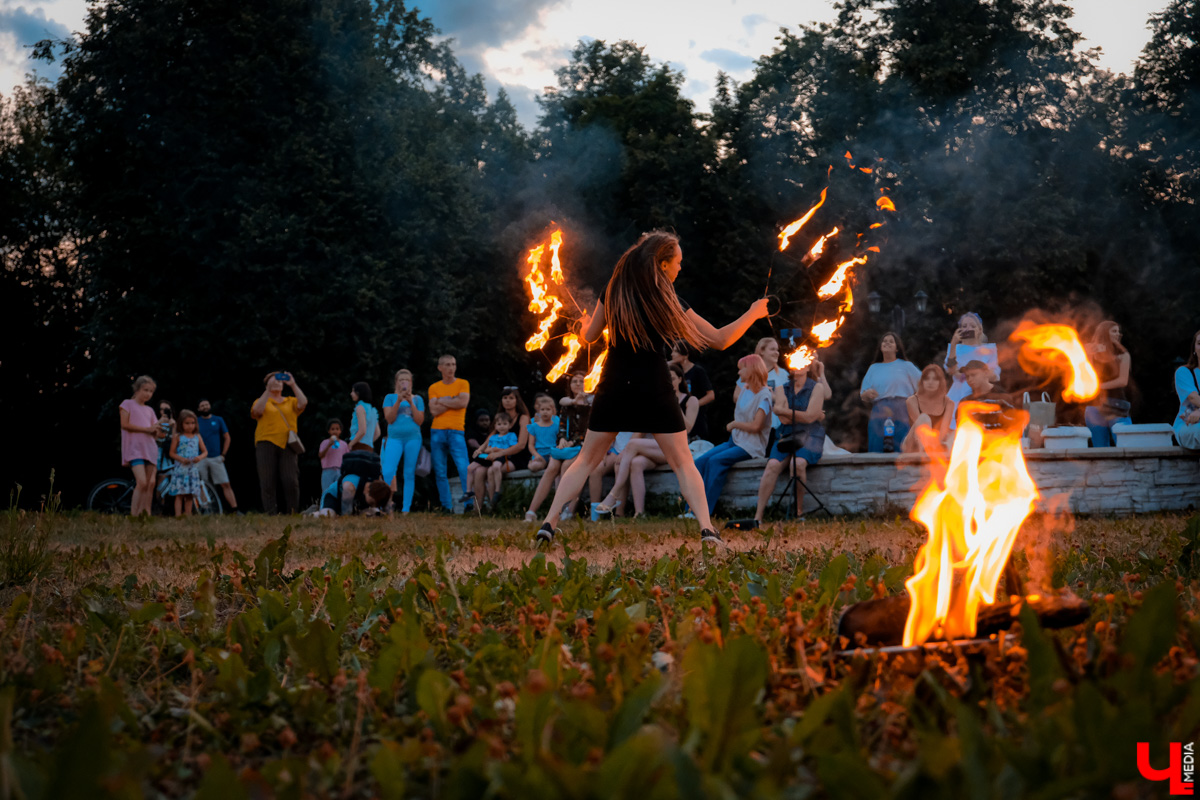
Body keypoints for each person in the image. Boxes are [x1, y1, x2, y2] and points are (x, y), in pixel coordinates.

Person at [533, 230, 770, 545]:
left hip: (614, 384)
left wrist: (584, 324)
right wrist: (754, 312)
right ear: (662, 264)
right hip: (654, 386)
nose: (681, 268)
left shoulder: (613, 290)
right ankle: (707, 529)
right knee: (682, 462)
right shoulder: (667, 300)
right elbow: (720, 339)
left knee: (586, 460)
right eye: (678, 262)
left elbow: (589, 337)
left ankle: (549, 523)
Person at [590, 362, 699, 519]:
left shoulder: (690, 400)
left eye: (672, 378)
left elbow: (688, 428)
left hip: (675, 448)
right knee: (636, 463)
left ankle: (615, 492)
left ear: (680, 379)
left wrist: (674, 403)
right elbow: (642, 428)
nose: (668, 381)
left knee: (632, 444)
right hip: (652, 449)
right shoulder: (656, 399)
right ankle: (639, 513)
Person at [690, 354, 774, 517]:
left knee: (715, 461)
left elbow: (756, 426)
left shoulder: (764, 396)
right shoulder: (745, 390)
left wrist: (735, 424)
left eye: (741, 369)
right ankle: (691, 508)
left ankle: (704, 511)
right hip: (735, 441)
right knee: (700, 462)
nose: (739, 373)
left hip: (751, 446)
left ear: (751, 370)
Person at [753, 357, 830, 524]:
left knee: (798, 464)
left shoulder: (816, 387)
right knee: (772, 466)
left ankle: (798, 512)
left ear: (808, 367)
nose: (798, 366)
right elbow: (785, 420)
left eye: (803, 363)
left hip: (810, 435)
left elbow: (810, 418)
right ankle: (758, 517)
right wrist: (803, 414)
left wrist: (783, 410)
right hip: (786, 434)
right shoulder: (782, 388)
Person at [524, 374, 592, 521]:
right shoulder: (566, 404)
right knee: (552, 468)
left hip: (582, 446)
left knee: (567, 467)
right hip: (565, 446)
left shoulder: (590, 404)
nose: (578, 384)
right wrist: (561, 439)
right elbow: (562, 426)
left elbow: (587, 430)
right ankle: (531, 512)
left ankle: (566, 511)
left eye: (581, 381)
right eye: (574, 381)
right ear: (570, 385)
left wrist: (572, 442)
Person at [251, 370, 307, 514]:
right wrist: (267, 391)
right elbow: (257, 411)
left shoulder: (290, 401)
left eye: (280, 380)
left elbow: (303, 403)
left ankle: (292, 512)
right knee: (267, 480)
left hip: (288, 443)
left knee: (291, 480)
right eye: (274, 380)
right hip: (266, 442)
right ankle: (271, 513)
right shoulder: (261, 401)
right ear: (267, 384)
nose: (277, 382)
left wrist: (293, 384)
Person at [860, 331, 922, 452]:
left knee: (902, 443)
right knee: (877, 444)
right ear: (880, 347)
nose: (887, 343)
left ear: (897, 348)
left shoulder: (907, 366)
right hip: (879, 409)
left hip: (902, 409)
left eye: (891, 341)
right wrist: (867, 394)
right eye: (884, 341)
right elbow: (863, 393)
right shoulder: (874, 368)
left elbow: (922, 386)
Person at [428, 354, 473, 512]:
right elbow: (434, 410)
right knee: (440, 470)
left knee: (463, 467)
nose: (451, 368)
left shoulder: (463, 383)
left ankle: (468, 504)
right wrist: (453, 400)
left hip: (456, 430)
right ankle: (446, 506)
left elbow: (463, 402)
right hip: (437, 430)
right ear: (440, 367)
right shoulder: (434, 387)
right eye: (447, 365)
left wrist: (441, 400)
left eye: (453, 364)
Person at [119, 376, 165, 517]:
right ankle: (134, 516)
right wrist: (147, 429)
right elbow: (125, 425)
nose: (148, 394)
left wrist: (160, 429)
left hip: (150, 449)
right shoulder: (127, 404)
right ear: (137, 389)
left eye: (151, 391)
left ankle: (144, 514)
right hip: (135, 449)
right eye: (145, 390)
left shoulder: (150, 410)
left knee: (149, 484)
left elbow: (156, 433)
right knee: (142, 482)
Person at [381, 369, 425, 514]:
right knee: (388, 470)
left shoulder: (418, 399)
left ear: (411, 383)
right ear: (396, 383)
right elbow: (389, 419)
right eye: (401, 380)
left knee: (409, 473)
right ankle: (386, 504)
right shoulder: (390, 398)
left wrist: (410, 402)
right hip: (395, 438)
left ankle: (406, 509)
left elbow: (419, 420)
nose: (404, 383)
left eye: (406, 380)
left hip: (413, 438)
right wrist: (399, 400)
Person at [1084, 321, 1132, 447]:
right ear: (1104, 333)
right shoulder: (1092, 351)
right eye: (1114, 331)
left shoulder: (1123, 355)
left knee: (1126, 444)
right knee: (1100, 448)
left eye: (1118, 331)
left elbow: (1122, 381)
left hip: (1116, 405)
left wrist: (1098, 387)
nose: (1118, 334)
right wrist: (1089, 354)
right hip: (1095, 406)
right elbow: (1088, 375)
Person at [944, 313, 1000, 412]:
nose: (968, 329)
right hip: (958, 395)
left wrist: (981, 374)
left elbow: (994, 376)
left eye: (972, 326)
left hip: (982, 395)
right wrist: (953, 344)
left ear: (979, 329)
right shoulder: (955, 348)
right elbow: (951, 370)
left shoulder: (989, 349)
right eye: (964, 326)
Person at [315, 450, 393, 516]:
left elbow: (387, 501)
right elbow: (346, 510)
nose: (372, 505)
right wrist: (347, 519)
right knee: (328, 516)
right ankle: (313, 513)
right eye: (372, 502)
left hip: (355, 501)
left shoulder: (379, 486)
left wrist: (389, 515)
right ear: (367, 490)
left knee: (374, 514)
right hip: (334, 497)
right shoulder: (350, 486)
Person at [735, 337, 789, 431]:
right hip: (750, 426)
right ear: (762, 351)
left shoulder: (783, 374)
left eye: (777, 350)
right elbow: (736, 397)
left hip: (775, 428)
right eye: (772, 349)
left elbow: (790, 400)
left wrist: (773, 397)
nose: (777, 353)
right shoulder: (748, 372)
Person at [196, 399, 240, 513]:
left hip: (216, 457)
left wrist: (223, 454)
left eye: (206, 404)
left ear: (210, 406)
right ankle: (207, 510)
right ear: (199, 409)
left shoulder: (218, 420)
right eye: (202, 405)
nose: (205, 407)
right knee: (203, 485)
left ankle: (235, 510)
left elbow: (227, 437)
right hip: (201, 458)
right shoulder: (196, 422)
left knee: (225, 483)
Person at [468, 412, 518, 507]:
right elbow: (487, 449)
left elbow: (512, 448)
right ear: (495, 426)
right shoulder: (493, 437)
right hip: (493, 457)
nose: (502, 426)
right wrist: (491, 450)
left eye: (505, 424)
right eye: (499, 424)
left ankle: (497, 491)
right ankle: (491, 502)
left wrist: (498, 450)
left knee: (495, 466)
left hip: (504, 456)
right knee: (486, 470)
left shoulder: (511, 435)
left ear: (510, 425)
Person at [671, 341, 715, 441]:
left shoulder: (697, 371)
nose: (672, 354)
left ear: (685, 354)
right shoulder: (677, 373)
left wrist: (692, 406)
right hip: (681, 419)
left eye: (675, 351)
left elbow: (711, 395)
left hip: (696, 422)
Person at [903, 364, 953, 454]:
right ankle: (928, 451)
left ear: (940, 382)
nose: (930, 382)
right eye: (927, 379)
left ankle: (937, 451)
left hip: (937, 442)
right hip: (914, 442)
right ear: (922, 381)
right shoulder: (912, 401)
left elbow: (943, 430)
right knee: (924, 418)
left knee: (954, 433)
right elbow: (920, 428)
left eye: (935, 379)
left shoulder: (948, 403)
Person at [167, 409, 208, 516]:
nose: (190, 426)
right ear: (181, 423)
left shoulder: (197, 436)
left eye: (192, 423)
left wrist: (199, 457)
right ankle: (178, 516)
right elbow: (171, 453)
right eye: (187, 423)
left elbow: (205, 451)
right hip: (181, 470)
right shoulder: (178, 437)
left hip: (192, 470)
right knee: (179, 494)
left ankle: (188, 516)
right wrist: (181, 459)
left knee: (190, 494)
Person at [492, 388, 532, 471]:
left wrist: (501, 453)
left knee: (495, 469)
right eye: (505, 398)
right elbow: (491, 438)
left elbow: (521, 445)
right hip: (501, 455)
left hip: (518, 456)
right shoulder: (499, 417)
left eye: (511, 398)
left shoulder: (523, 418)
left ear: (517, 400)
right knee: (480, 470)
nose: (507, 401)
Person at [1173, 330, 1200, 451]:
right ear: (1194, 349)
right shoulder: (1184, 372)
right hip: (1189, 425)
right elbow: (1194, 398)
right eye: (1199, 343)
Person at [525, 394, 560, 473]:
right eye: (542, 409)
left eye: (548, 409)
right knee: (534, 467)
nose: (545, 412)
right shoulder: (533, 427)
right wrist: (536, 455)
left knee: (555, 466)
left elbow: (559, 441)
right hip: (540, 454)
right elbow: (531, 445)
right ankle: (533, 462)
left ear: (553, 411)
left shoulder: (557, 426)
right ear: (538, 411)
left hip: (553, 453)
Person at [347, 382, 379, 453]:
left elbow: (362, 430)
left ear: (359, 393)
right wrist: (368, 442)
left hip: (358, 446)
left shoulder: (360, 408)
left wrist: (350, 444)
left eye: (353, 391)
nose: (351, 394)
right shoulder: (373, 410)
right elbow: (377, 433)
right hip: (369, 448)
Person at [318, 419, 346, 494]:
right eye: (332, 429)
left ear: (340, 431)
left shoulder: (344, 444)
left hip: (340, 471)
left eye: (337, 429)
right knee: (326, 492)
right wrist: (329, 445)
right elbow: (320, 455)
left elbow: (346, 458)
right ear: (329, 431)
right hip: (328, 470)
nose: (335, 431)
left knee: (339, 492)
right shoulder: (325, 442)